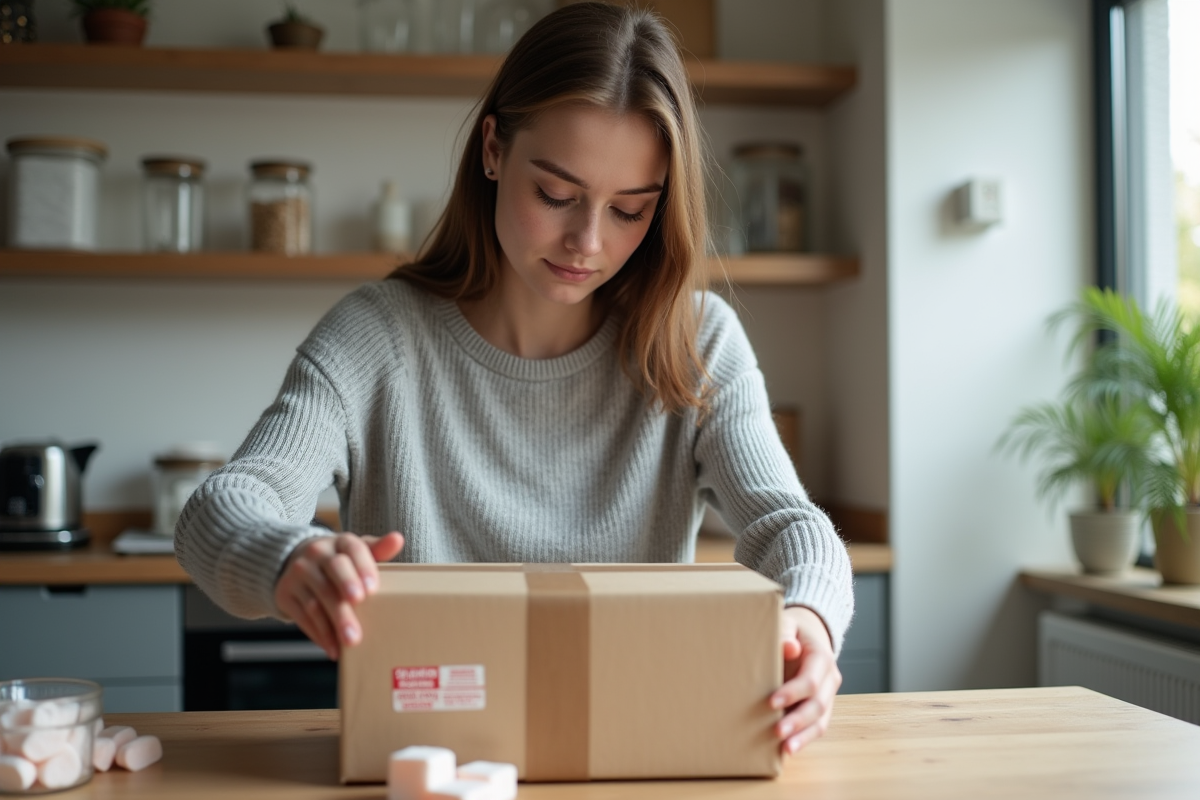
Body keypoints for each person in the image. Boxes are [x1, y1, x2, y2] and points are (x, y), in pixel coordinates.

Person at [175, 1, 853, 758]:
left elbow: (790, 525)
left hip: (633, 757)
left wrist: (810, 619)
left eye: (629, 211)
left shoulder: (696, 343)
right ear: (493, 149)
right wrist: (288, 557)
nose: (587, 242)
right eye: (556, 196)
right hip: (429, 762)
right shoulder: (376, 337)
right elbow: (222, 508)